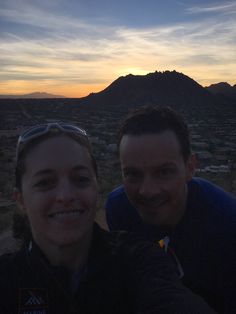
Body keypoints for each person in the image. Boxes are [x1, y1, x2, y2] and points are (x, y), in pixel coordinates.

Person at [0, 122, 215, 314]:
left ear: (97, 190)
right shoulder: (7, 278)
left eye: (81, 179)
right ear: (20, 200)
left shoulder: (139, 261)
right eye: (45, 183)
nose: (65, 196)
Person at [105, 106, 236, 314]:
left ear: (190, 167)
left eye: (164, 172)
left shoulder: (227, 227)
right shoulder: (119, 208)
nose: (147, 191)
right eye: (133, 174)